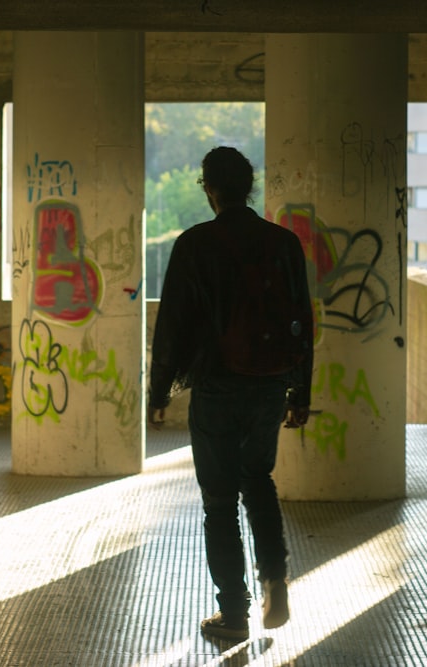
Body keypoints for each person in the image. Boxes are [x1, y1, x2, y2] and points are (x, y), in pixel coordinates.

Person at [147, 146, 314, 642]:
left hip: (217, 385)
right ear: (250, 186)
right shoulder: (283, 244)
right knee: (258, 480)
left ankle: (234, 612)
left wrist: (158, 391)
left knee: (219, 500)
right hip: (268, 385)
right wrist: (300, 392)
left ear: (209, 188)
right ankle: (275, 579)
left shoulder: (195, 244)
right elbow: (302, 323)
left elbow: (171, 326)